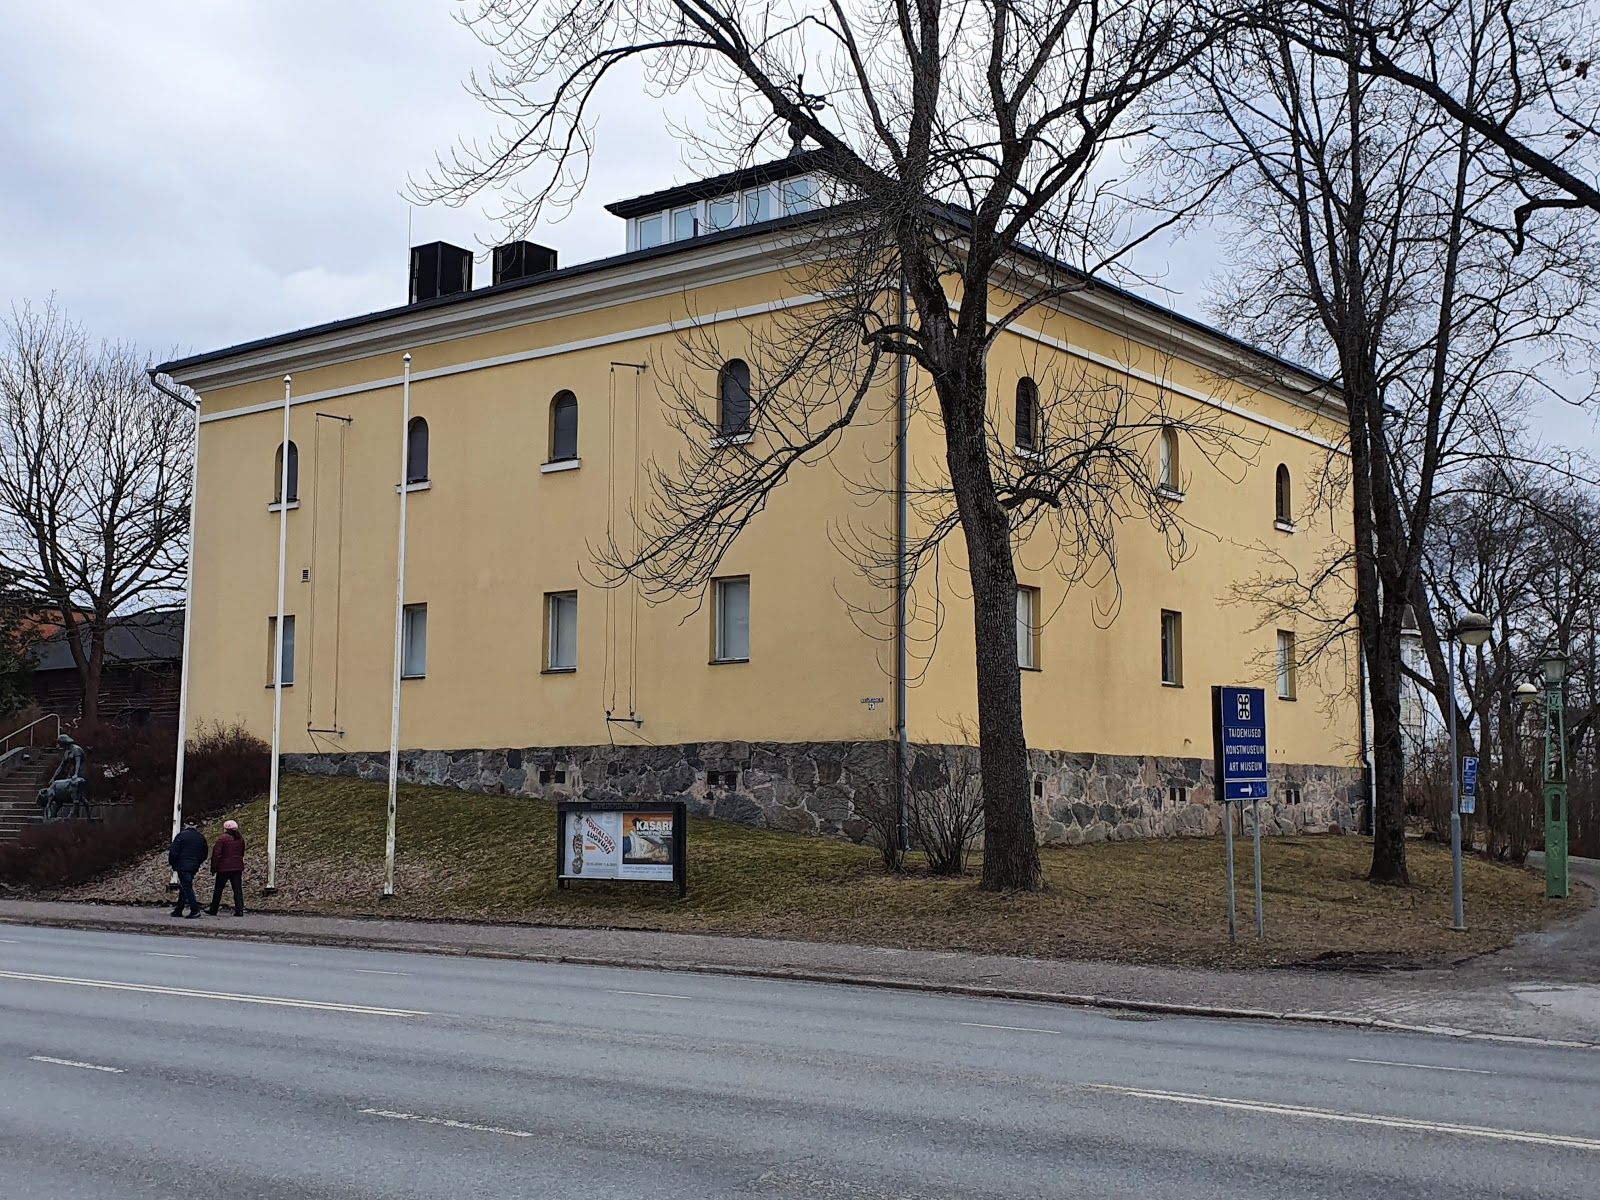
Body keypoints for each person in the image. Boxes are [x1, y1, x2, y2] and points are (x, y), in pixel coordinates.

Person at [168, 818, 208, 919]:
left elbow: (173, 851)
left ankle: (194, 910)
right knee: (185, 886)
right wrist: (197, 862)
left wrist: (173, 864)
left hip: (182, 865)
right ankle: (179, 909)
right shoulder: (200, 837)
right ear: (196, 826)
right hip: (193, 866)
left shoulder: (181, 836)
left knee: (187, 887)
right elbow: (204, 853)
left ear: (185, 825)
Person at [207, 819, 246, 917]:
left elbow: (217, 854)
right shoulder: (240, 839)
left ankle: (213, 909)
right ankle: (239, 910)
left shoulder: (222, 839)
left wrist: (214, 867)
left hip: (223, 868)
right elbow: (241, 852)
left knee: (218, 890)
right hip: (237, 867)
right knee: (237, 889)